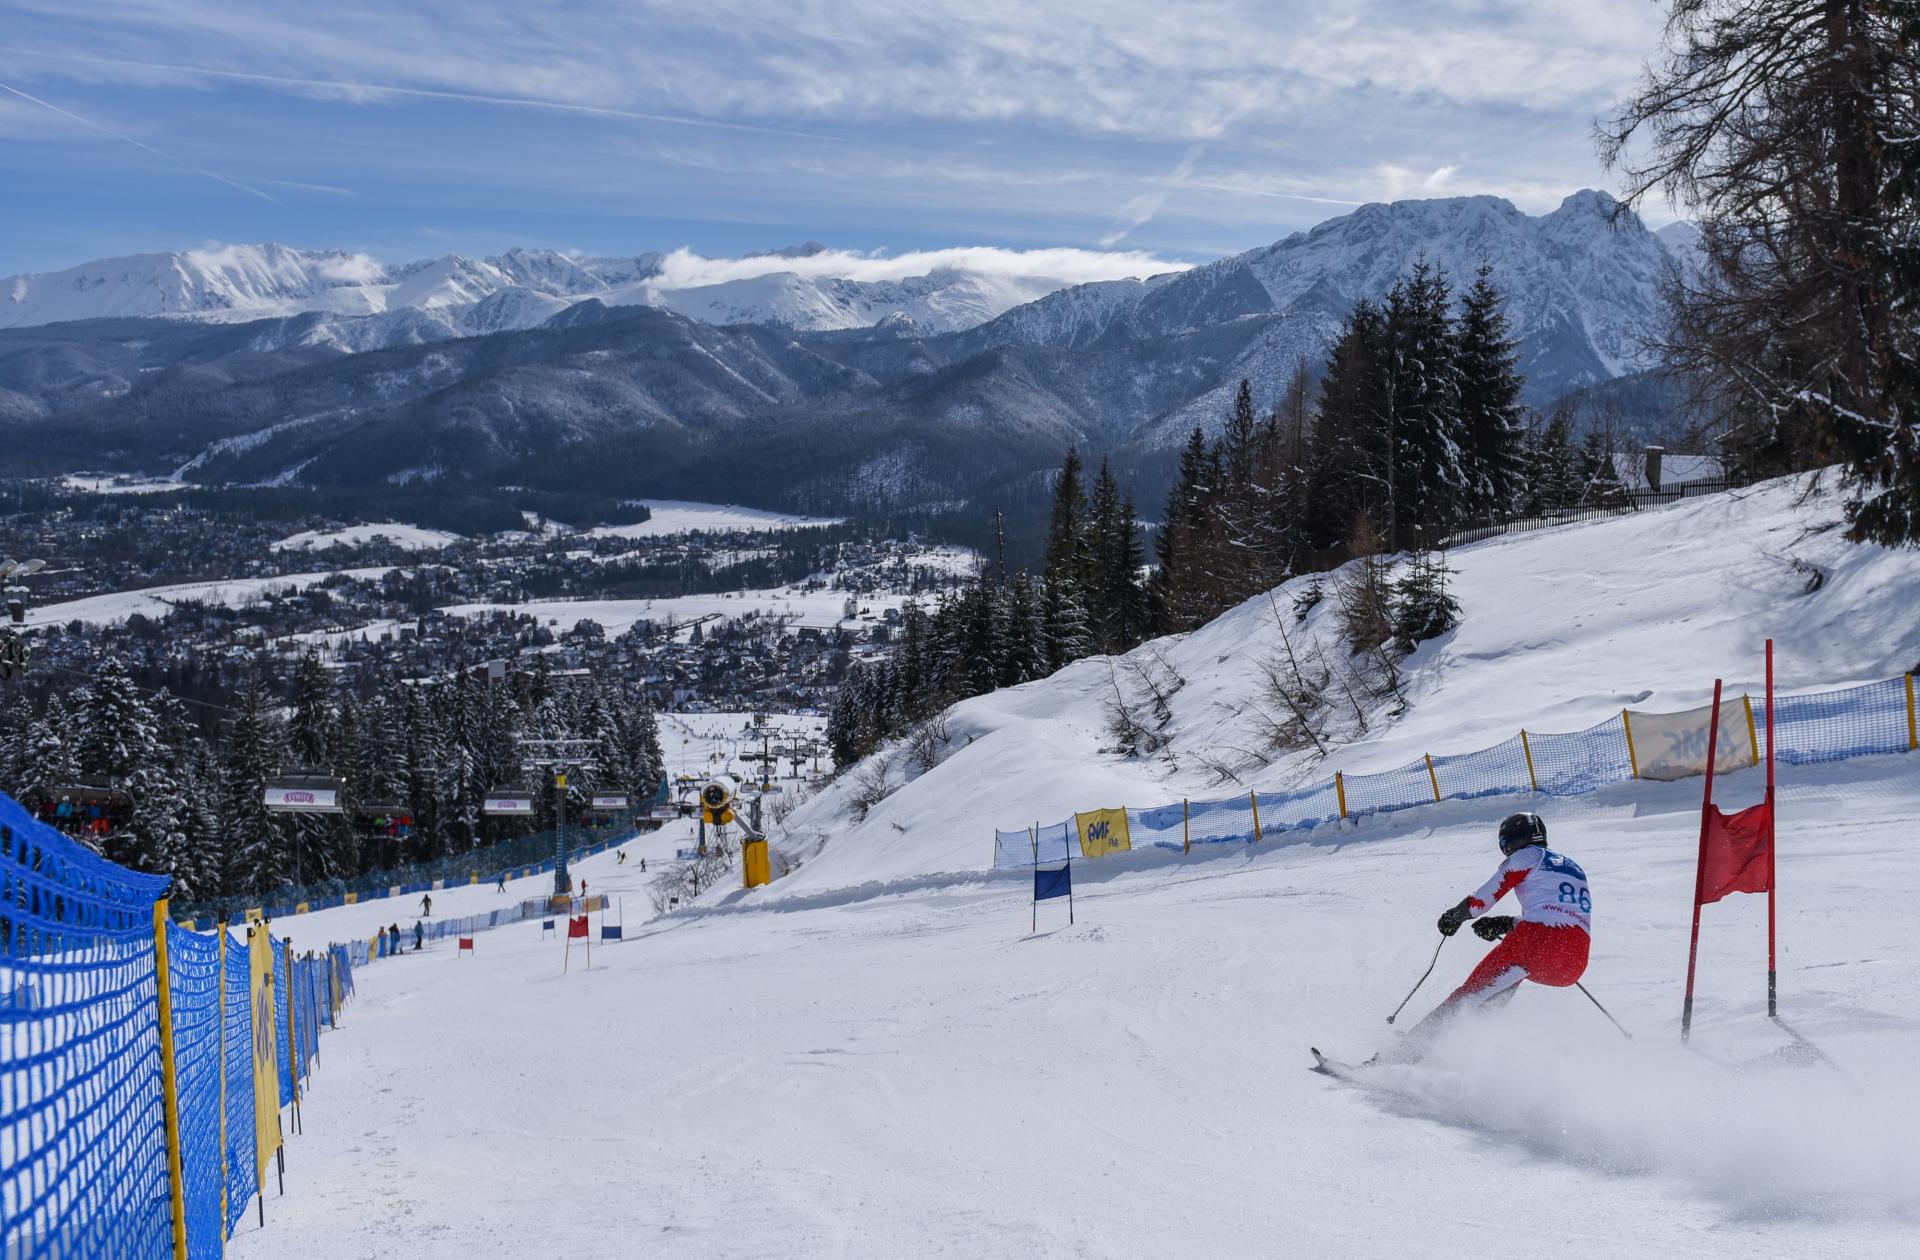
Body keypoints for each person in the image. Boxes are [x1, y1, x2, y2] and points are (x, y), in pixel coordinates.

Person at [1402, 813, 1591, 1052]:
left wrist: (1456, 916)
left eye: (1505, 844)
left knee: (1470, 994)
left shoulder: (1528, 855)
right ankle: (1465, 1049)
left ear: (1516, 839)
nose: (1506, 851)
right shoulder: (1573, 867)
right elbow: (1561, 915)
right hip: (1573, 963)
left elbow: (1484, 897)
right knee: (1505, 982)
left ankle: (1405, 1051)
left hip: (1536, 944)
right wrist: (1507, 923)